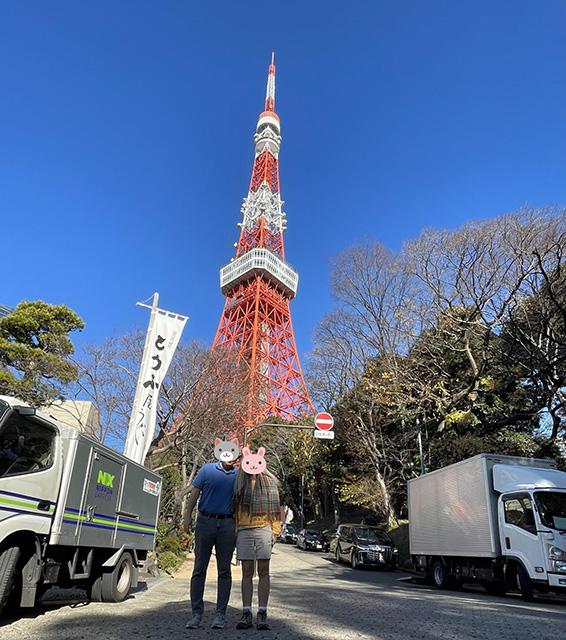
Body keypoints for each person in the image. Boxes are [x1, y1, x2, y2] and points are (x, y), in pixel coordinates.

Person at [183, 446, 238, 630]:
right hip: (205, 521)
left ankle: (220, 615)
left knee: (224, 570)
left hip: (227, 524)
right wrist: (187, 516)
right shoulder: (207, 469)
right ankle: (196, 613)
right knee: (199, 568)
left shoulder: (239, 475)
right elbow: (195, 492)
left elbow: (245, 497)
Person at [233, 446, 281, 631]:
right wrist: (236, 530)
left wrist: (275, 531)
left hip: (264, 529)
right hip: (244, 530)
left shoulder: (270, 482)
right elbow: (235, 509)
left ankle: (262, 612)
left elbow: (276, 509)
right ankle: (246, 612)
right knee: (246, 571)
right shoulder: (240, 481)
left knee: (263, 570)